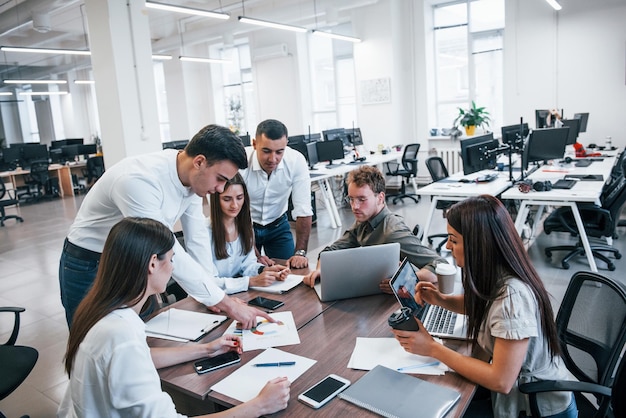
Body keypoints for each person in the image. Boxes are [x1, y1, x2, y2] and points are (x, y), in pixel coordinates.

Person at [59, 217, 290, 417]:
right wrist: (259, 406)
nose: (172, 267)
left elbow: (141, 357)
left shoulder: (106, 312)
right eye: (170, 259)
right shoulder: (121, 334)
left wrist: (208, 349)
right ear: (152, 263)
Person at [59, 124, 271, 329]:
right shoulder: (138, 180)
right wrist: (226, 302)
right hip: (89, 263)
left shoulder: (192, 180)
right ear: (199, 162)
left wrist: (213, 294)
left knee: (145, 334)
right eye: (220, 179)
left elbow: (196, 240)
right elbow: (167, 248)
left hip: (133, 261)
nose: (220, 188)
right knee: (92, 339)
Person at [392, 195, 576, 418]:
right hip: (516, 394)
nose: (448, 246)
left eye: (454, 239)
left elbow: (501, 381)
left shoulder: (512, 297)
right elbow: (487, 306)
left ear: (478, 244)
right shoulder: (497, 272)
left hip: (536, 407)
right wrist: (441, 300)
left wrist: (432, 348)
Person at [303, 165, 447, 289]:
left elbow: (440, 265)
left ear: (380, 198)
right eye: (351, 199)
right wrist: (321, 269)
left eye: (362, 199)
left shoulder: (393, 231)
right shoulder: (364, 221)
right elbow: (330, 252)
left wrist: (405, 279)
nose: (354, 207)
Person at [240, 119, 312, 269]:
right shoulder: (240, 162)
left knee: (289, 272)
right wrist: (253, 254)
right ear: (254, 144)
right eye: (266, 151)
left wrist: (300, 252)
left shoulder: (296, 160)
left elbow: (303, 209)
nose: (273, 159)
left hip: (278, 225)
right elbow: (229, 212)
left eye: (279, 152)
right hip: (244, 226)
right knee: (246, 272)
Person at [207, 173, 290, 294]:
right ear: (216, 200)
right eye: (227, 199)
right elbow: (209, 283)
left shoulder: (244, 225)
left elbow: (247, 265)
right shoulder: (204, 232)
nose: (234, 205)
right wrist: (251, 281)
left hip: (235, 295)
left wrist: (265, 270)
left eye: (239, 198)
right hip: (209, 300)